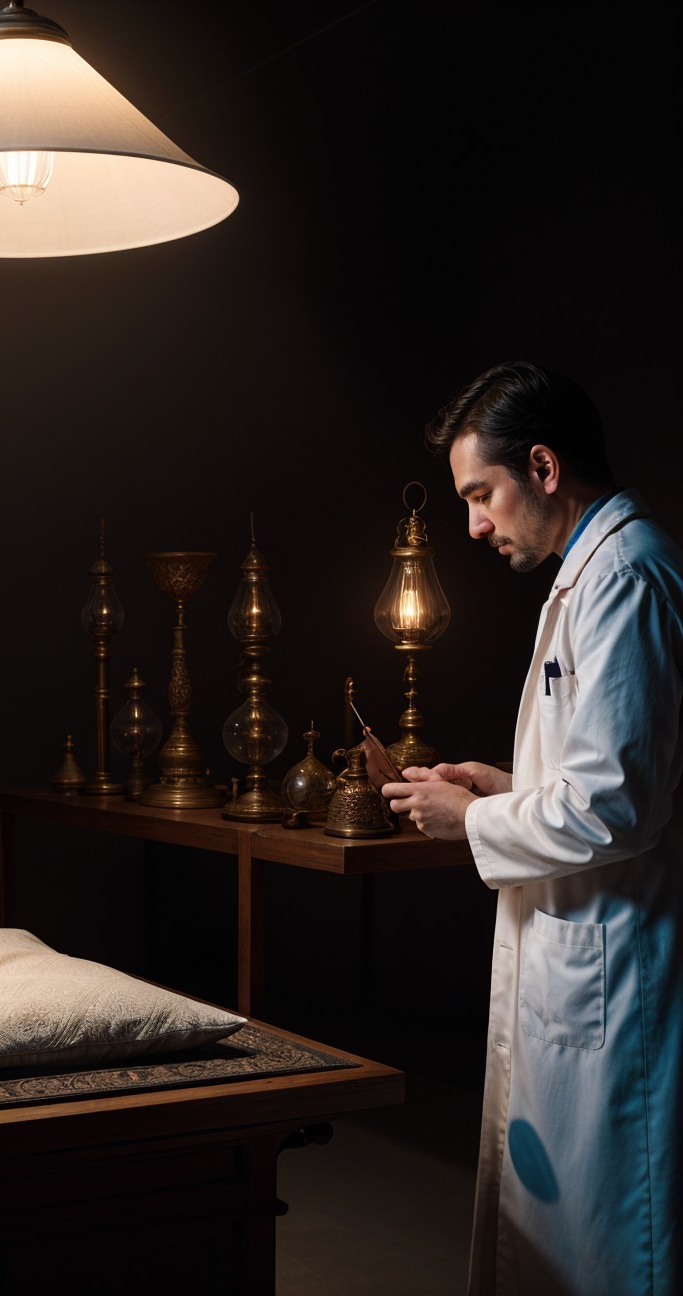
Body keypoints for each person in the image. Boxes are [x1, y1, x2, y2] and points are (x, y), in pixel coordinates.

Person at [385, 362, 680, 1296]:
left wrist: (472, 817)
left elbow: (617, 808)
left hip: (620, 963)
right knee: (559, 1239)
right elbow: (606, 775)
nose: (473, 523)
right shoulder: (585, 578)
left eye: (481, 494)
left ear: (544, 468)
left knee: (608, 1241)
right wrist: (504, 785)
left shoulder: (625, 579)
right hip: (581, 947)